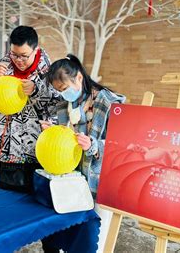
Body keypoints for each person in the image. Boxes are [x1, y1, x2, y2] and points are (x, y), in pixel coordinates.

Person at [40, 54, 126, 253]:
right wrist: (52, 131)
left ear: (79, 77)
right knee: (70, 237)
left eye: (64, 89)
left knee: (96, 242)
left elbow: (120, 147)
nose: (63, 94)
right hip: (73, 183)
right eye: (59, 91)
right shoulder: (64, 105)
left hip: (99, 185)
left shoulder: (108, 103)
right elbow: (66, 136)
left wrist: (93, 145)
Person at [0, 26, 60, 191]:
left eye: (24, 56)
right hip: (2, 150)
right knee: (1, 201)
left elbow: (60, 103)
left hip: (34, 152)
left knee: (29, 205)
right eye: (14, 54)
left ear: (36, 50)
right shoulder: (2, 66)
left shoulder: (51, 72)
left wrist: (36, 91)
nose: (18, 60)